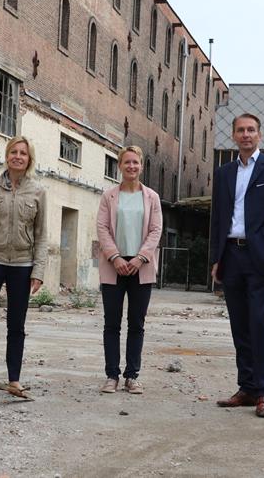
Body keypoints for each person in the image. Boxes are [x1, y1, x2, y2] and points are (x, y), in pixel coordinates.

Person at [209, 113, 264, 417]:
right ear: (233, 136)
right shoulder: (224, 173)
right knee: (238, 324)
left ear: (260, 134)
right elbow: (218, 218)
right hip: (231, 255)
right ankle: (245, 387)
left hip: (259, 257)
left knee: (259, 323)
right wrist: (216, 258)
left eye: (251, 130)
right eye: (240, 130)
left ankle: (263, 393)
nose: (246, 135)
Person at [0, 136, 48, 398]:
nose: (17, 156)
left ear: (29, 159)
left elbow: (41, 234)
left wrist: (38, 271)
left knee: (17, 325)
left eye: (23, 153)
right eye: (13, 151)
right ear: (7, 155)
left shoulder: (38, 192)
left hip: (22, 265)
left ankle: (14, 379)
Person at [96, 146, 162, 394]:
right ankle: (111, 375)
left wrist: (140, 258)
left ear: (141, 166)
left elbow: (156, 230)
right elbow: (102, 228)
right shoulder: (109, 197)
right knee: (111, 323)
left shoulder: (152, 198)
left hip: (140, 268)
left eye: (136, 162)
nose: (131, 166)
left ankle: (131, 376)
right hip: (114, 266)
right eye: (127, 163)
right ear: (120, 166)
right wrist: (114, 257)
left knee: (137, 323)